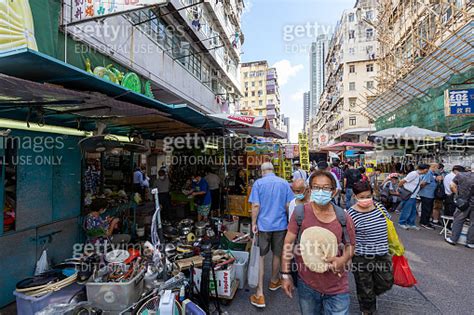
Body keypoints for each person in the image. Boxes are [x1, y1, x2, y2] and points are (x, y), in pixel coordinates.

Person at [281, 170, 356, 315]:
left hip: (337, 288)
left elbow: (351, 246)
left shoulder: (343, 217)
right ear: (309, 190)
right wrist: (285, 274)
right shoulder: (299, 213)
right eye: (316, 187)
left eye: (326, 188)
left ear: (334, 192)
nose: (320, 191)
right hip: (307, 284)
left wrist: (343, 259)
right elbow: (288, 244)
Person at [249, 162, 294, 308]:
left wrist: (253, 223)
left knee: (260, 256)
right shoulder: (284, 183)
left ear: (262, 171)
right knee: (277, 254)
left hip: (263, 226)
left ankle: (259, 294)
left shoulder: (258, 183)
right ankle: (274, 281)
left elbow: (255, 205)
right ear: (273, 170)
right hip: (280, 225)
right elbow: (289, 205)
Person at [348, 181, 393, 315]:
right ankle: (367, 310)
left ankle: (371, 295)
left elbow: (389, 225)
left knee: (387, 281)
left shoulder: (379, 207)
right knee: (364, 287)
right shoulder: (351, 214)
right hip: (362, 256)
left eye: (368, 196)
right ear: (355, 197)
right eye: (361, 197)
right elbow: (349, 238)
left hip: (382, 253)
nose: (365, 199)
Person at [445, 165, 473, 248]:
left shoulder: (461, 175)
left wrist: (458, 196)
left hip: (462, 202)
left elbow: (452, 185)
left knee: (458, 220)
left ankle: (453, 239)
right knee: (473, 223)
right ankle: (470, 242)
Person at [398, 164, 429, 230]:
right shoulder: (413, 174)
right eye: (427, 170)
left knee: (413, 211)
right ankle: (401, 223)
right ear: (424, 169)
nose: (427, 171)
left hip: (413, 196)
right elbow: (402, 181)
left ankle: (411, 223)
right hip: (409, 195)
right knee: (407, 210)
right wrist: (400, 188)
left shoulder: (419, 175)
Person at [418, 163, 439, 230]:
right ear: (434, 167)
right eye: (437, 167)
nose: (437, 169)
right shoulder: (429, 173)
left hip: (429, 194)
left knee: (428, 209)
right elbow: (423, 183)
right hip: (426, 194)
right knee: (426, 209)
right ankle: (424, 223)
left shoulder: (432, 174)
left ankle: (426, 221)